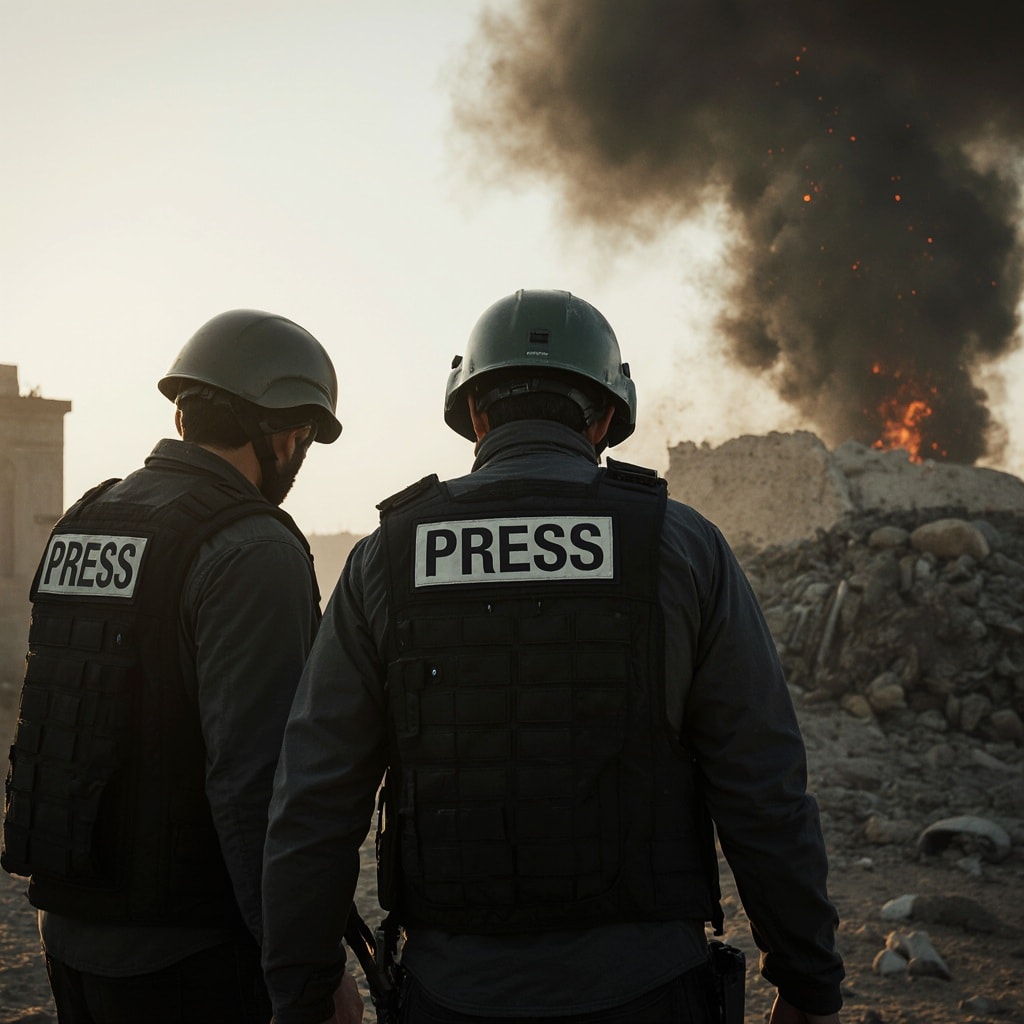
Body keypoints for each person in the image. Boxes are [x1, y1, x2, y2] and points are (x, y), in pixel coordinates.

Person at [261, 289, 845, 1024]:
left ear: (474, 414)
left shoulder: (387, 558)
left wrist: (306, 987)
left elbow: (314, 798)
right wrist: (809, 979)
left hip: (452, 994)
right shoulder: (682, 545)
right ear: (604, 418)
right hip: (649, 992)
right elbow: (763, 784)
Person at [1, 309, 362, 1024]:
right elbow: (259, 788)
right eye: (303, 436)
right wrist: (308, 976)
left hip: (71, 938)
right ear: (283, 429)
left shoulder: (86, 518)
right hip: (190, 954)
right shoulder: (251, 548)